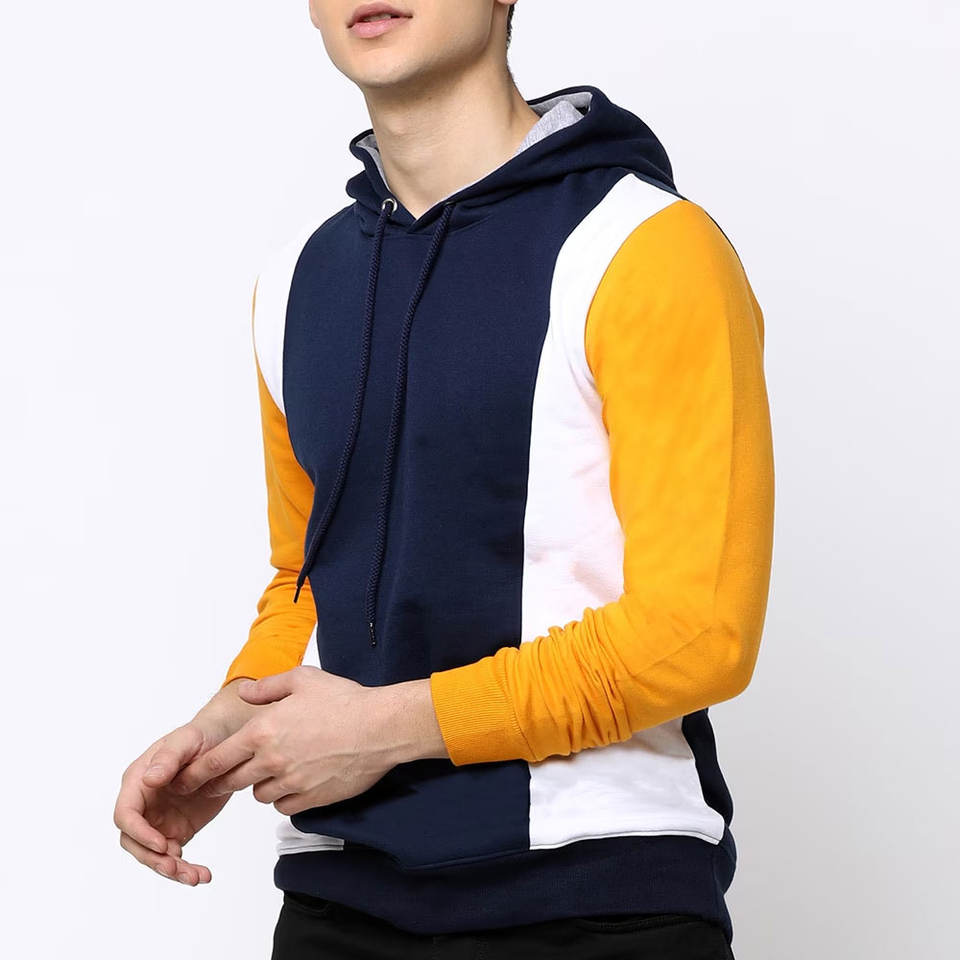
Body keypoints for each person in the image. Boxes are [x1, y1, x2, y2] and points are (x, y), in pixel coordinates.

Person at [114, 3, 774, 958]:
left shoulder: (647, 248)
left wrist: (385, 728)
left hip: (594, 890)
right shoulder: (298, 279)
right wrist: (228, 727)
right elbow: (307, 579)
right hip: (341, 891)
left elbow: (697, 633)